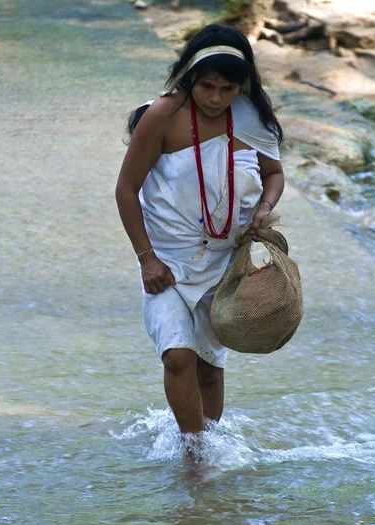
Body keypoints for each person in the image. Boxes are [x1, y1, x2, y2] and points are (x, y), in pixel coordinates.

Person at [115, 23, 284, 438]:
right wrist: (146, 259)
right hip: (168, 263)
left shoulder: (252, 120)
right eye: (206, 85)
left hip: (226, 263)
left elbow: (275, 174)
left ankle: (204, 451)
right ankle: (194, 459)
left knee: (209, 366)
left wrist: (264, 208)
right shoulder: (162, 116)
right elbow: (125, 190)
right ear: (189, 77)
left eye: (227, 88)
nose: (214, 98)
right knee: (177, 357)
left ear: (241, 86)